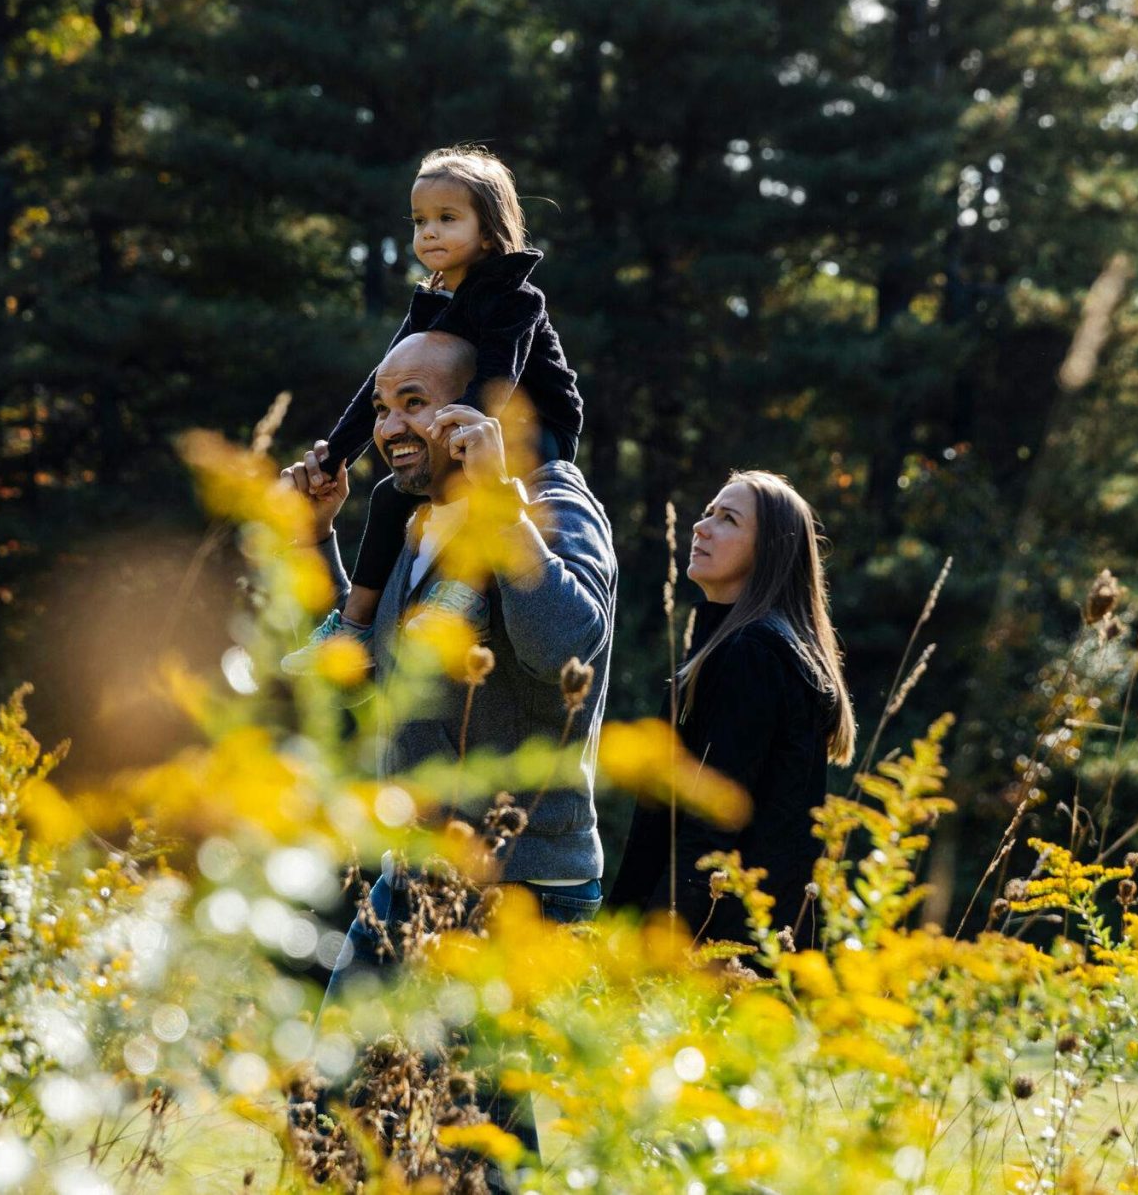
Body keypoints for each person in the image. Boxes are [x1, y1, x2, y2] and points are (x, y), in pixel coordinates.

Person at [284, 329, 616, 964]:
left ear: (475, 412)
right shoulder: (419, 524)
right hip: (411, 876)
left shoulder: (555, 503)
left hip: (518, 893)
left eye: (414, 402)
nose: (389, 428)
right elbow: (357, 684)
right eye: (381, 409)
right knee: (334, 1066)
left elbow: (566, 650)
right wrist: (313, 538)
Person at [301, 147, 584, 641]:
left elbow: (498, 381)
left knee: (472, 488)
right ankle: (354, 627)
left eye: (447, 218)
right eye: (419, 220)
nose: (428, 232)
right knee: (390, 497)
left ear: (489, 231)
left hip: (535, 431)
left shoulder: (516, 297)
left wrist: (457, 434)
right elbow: (380, 384)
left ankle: (463, 593)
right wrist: (335, 454)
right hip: (468, 422)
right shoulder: (431, 304)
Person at [609, 470, 856, 951]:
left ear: (769, 550)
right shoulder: (741, 646)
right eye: (707, 513)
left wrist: (655, 944)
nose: (701, 528)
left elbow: (714, 818)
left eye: (727, 520)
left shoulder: (753, 654)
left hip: (719, 945)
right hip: (744, 936)